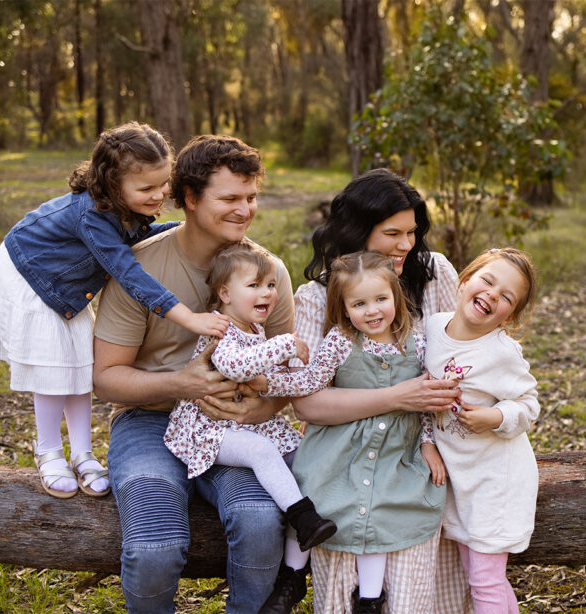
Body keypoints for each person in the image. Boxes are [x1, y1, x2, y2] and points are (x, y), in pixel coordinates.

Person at [0, 121, 228, 500]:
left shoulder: (125, 208)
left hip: (67, 287)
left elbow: (138, 236)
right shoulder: (91, 215)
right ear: (112, 185)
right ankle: (48, 451)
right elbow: (128, 272)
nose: (159, 195)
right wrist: (188, 317)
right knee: (53, 369)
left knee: (79, 366)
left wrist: (183, 228)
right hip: (31, 276)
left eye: (163, 184)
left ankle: (83, 454)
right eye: (147, 189)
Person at [92, 134, 296, 613]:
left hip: (236, 424)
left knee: (261, 520)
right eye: (229, 199)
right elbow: (106, 379)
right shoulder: (140, 267)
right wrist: (181, 383)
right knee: (155, 544)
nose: (244, 210)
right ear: (189, 197)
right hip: (150, 419)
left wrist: (263, 407)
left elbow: (289, 371)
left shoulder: (271, 273)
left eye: (250, 197)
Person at [248, 251, 447, 614]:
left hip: (394, 453)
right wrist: (266, 384)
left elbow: (427, 401)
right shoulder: (341, 340)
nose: (372, 311)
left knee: (381, 518)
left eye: (380, 299)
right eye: (359, 303)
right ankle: (292, 578)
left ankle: (369, 601)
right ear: (344, 307)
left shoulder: (417, 343)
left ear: (396, 297)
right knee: (318, 497)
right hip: (340, 451)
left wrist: (429, 443)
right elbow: (309, 381)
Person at [163, 241, 336, 561]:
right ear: (226, 294)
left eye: (271, 285)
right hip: (209, 427)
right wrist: (285, 344)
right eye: (254, 285)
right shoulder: (221, 328)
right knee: (262, 451)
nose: (267, 292)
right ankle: (303, 518)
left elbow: (260, 378)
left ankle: (302, 551)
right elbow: (235, 366)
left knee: (301, 453)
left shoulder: (255, 328)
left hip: (240, 421)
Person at [424, 247, 539, 614]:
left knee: (485, 581)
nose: (492, 294)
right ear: (464, 280)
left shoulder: (501, 352)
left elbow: (528, 405)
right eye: (487, 281)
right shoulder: (430, 330)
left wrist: (496, 418)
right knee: (480, 576)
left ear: (510, 316)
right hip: (460, 480)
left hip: (496, 481)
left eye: (506, 297)